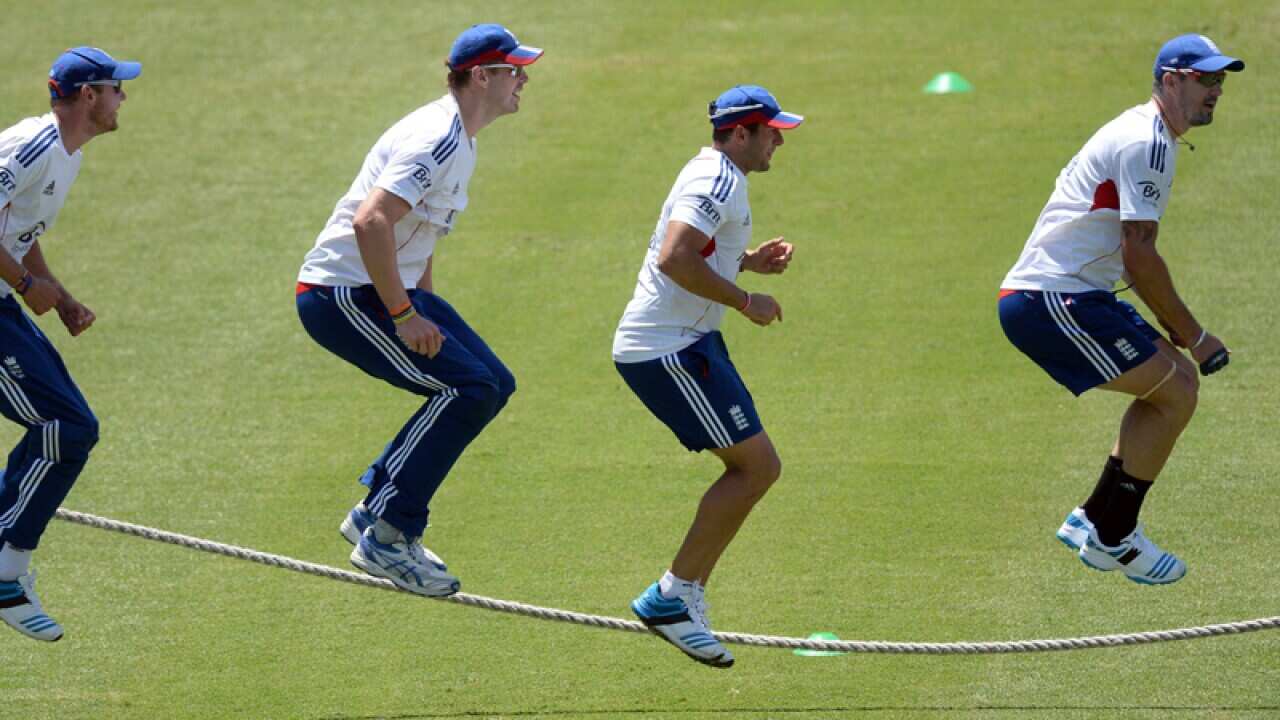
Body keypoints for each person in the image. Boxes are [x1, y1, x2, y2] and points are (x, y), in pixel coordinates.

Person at [296, 24, 540, 597]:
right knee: (467, 390)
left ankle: (376, 512)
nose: (523, 79)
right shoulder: (439, 138)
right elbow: (372, 221)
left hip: (383, 289)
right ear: (482, 76)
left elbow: (415, 233)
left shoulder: (463, 139)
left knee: (494, 383)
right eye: (514, 70)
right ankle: (387, 532)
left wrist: (423, 301)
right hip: (342, 295)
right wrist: (405, 314)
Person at [998, 34, 1244, 585]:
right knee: (1177, 389)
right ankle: (1114, 535)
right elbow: (1139, 252)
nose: (1216, 91)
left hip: (1077, 295)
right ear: (1171, 80)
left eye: (1221, 81)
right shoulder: (1146, 141)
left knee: (1175, 386)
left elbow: (1134, 256)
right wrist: (1194, 333)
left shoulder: (1150, 134)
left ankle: (1094, 520)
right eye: (1206, 79)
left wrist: (1174, 331)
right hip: (1051, 300)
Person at [612, 85, 802, 667]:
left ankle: (679, 593)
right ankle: (673, 596)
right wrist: (747, 299)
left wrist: (743, 261)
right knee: (755, 468)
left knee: (759, 467)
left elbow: (692, 249)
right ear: (740, 133)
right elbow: (673, 256)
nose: (779, 141)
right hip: (668, 350)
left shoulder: (716, 174)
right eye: (772, 131)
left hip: (688, 343)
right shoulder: (715, 179)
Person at [0, 47, 140, 642]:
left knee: (70, 424)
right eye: (116, 88)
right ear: (89, 95)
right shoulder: (31, 146)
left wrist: (57, 295)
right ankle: (5, 571)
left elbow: (17, 227)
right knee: (65, 425)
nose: (123, 98)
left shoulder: (64, 155)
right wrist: (28, 285)